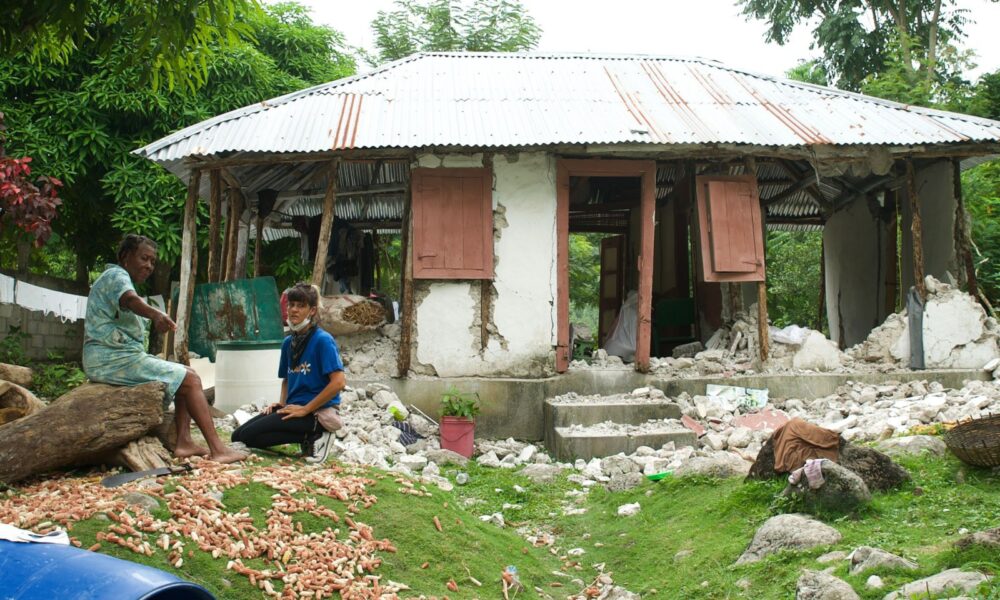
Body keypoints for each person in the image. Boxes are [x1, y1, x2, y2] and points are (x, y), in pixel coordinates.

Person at [83, 234, 247, 464]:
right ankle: (218, 449)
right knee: (191, 379)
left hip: (115, 358)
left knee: (182, 374)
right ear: (125, 257)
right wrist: (156, 313)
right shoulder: (116, 276)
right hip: (110, 359)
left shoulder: (119, 281)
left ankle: (184, 442)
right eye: (144, 258)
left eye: (152, 261)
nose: (149, 266)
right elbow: (130, 300)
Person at [231, 282, 346, 463]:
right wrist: (282, 403)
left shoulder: (323, 340)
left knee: (247, 435)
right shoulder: (288, 343)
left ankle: (319, 433)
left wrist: (307, 409)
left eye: (301, 306)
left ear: (312, 311)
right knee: (238, 436)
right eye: (291, 305)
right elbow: (287, 378)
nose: (294, 310)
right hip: (294, 408)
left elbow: (339, 382)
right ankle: (307, 438)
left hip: (315, 413)